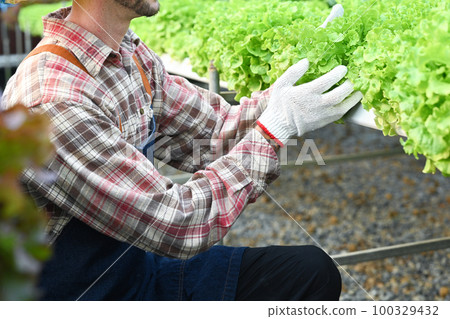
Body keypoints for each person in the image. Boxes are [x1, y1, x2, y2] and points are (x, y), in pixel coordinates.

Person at [2, 0, 362, 301]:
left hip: (136, 272)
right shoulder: (53, 102)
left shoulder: (125, 52)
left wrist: (289, 86)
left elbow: (214, 133)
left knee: (309, 272)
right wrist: (273, 130)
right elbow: (177, 224)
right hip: (82, 297)